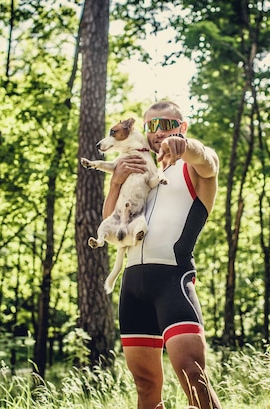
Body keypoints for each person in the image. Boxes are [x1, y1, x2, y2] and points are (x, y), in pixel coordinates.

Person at [103, 100, 222, 409]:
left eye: (168, 124)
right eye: (152, 126)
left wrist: (186, 147)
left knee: (193, 377)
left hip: (172, 281)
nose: (160, 132)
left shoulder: (193, 170)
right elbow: (111, 224)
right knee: (145, 386)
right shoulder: (139, 171)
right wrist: (115, 181)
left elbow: (208, 161)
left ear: (182, 128)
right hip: (133, 286)